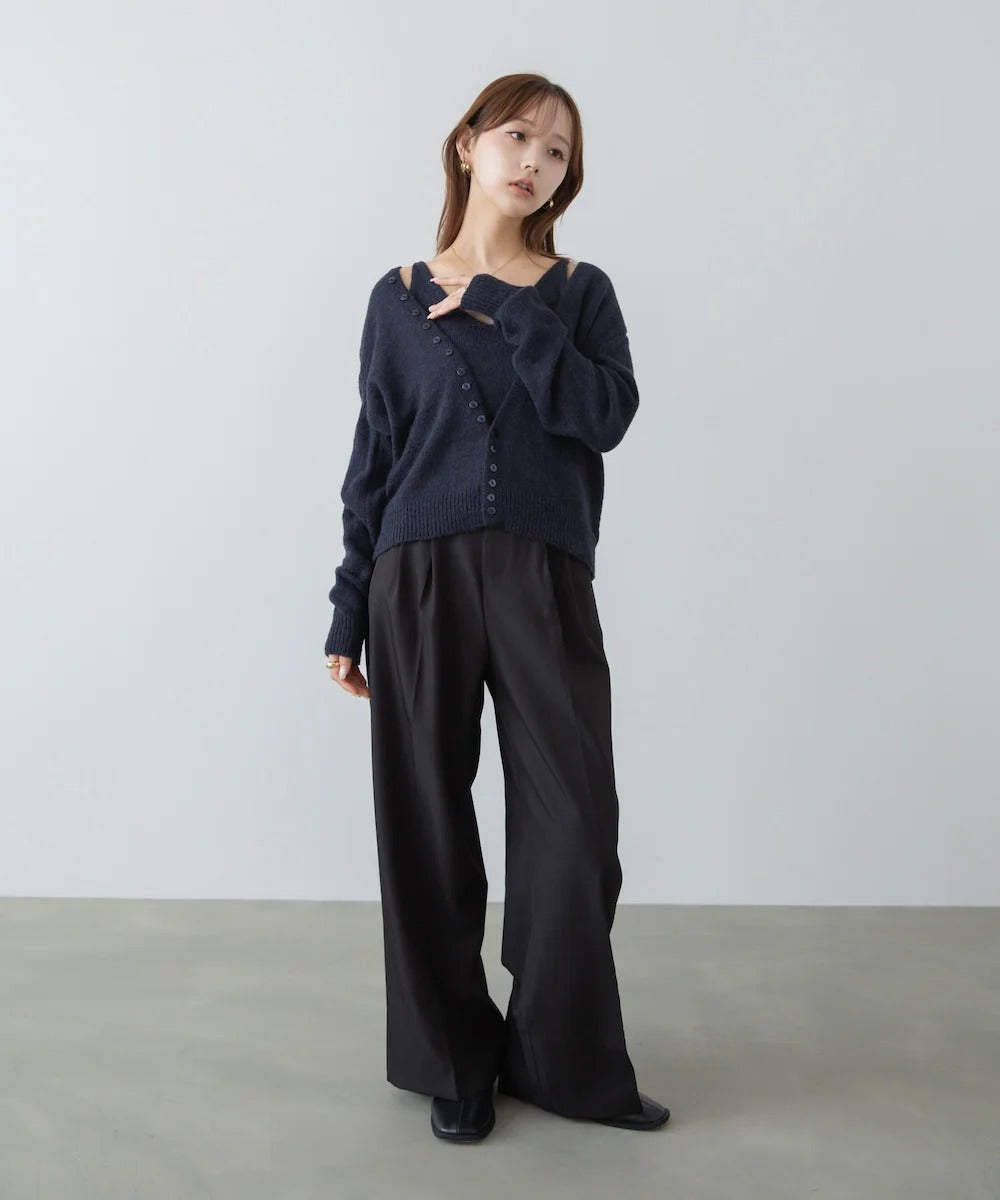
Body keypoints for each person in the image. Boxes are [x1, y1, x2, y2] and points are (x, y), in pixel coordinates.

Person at [323, 73, 670, 1142]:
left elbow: (603, 415)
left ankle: (559, 1057)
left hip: (543, 576)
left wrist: (506, 306)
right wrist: (347, 606)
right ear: (468, 144)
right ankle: (454, 1062)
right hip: (415, 577)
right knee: (425, 822)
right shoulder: (392, 298)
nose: (536, 161)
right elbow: (375, 457)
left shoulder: (577, 293)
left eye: (558, 152)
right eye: (519, 135)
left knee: (575, 828)